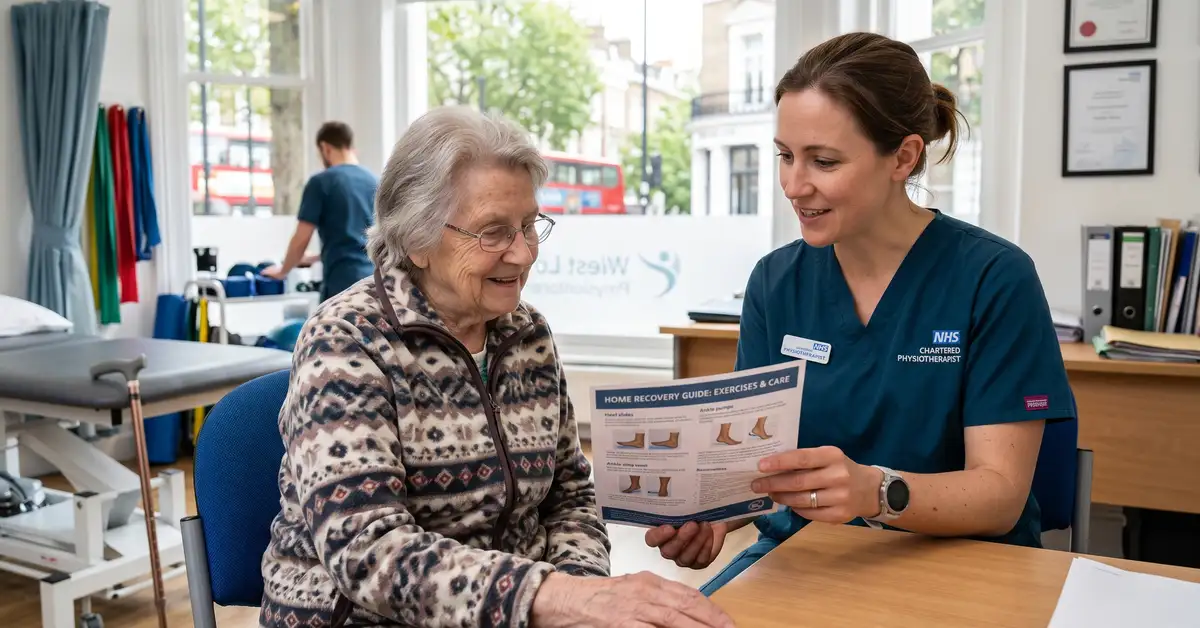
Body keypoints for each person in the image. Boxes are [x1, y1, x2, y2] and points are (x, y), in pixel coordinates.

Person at [259, 106, 735, 628]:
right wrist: (556, 599)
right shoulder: (345, 341)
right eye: (494, 232)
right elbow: (368, 551)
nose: (524, 254)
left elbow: (570, 498)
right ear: (417, 239)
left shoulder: (527, 334)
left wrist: (581, 593)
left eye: (529, 226)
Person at [644, 31, 1076, 594]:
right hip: (806, 561)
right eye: (785, 156)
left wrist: (876, 491)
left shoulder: (994, 278)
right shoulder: (775, 283)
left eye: (823, 161)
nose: (794, 185)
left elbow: (1000, 496)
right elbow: (758, 461)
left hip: (963, 569)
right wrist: (717, 516)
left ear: (904, 157)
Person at [261, 121, 378, 302]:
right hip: (375, 282)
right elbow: (360, 240)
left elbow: (301, 239)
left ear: (325, 148)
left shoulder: (322, 182)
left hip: (341, 285)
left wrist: (282, 271)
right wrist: (317, 257)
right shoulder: (375, 181)